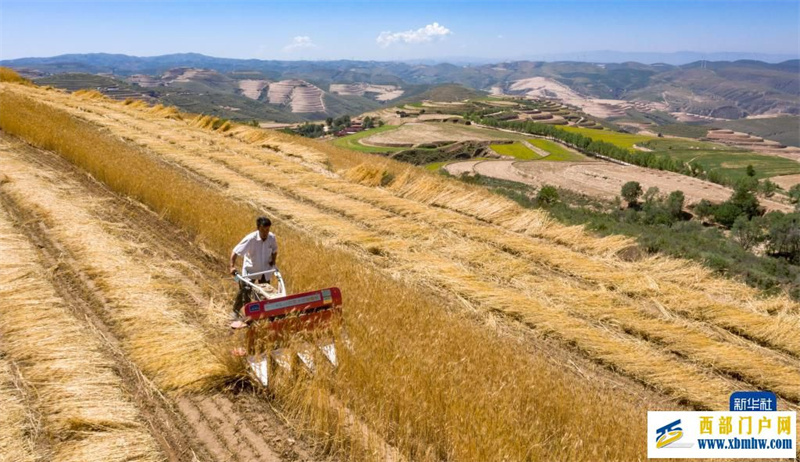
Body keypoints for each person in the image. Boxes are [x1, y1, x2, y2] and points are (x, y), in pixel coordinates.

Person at [229, 216, 278, 318]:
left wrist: (273, 260)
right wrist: (231, 266)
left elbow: (274, 250)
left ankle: (263, 314)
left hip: (265, 270)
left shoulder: (271, 238)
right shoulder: (251, 239)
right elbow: (235, 251)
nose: (266, 232)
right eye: (263, 230)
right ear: (258, 228)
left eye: (267, 230)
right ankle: (236, 312)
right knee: (245, 291)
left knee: (265, 293)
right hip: (251, 270)